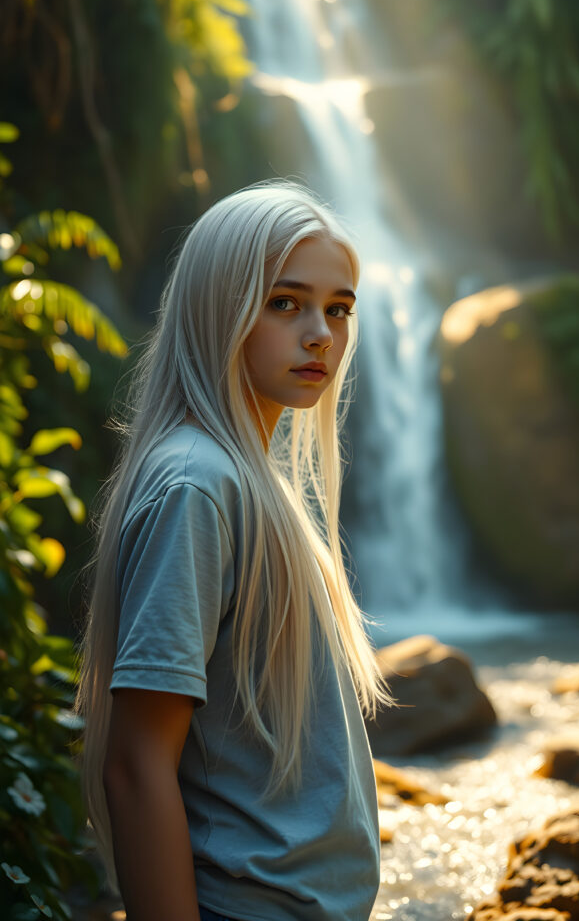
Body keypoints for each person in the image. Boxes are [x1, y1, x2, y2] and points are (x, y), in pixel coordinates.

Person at [76, 180, 390, 921]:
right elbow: (135, 766)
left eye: (338, 309)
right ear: (219, 305)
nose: (320, 333)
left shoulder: (249, 479)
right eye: (285, 302)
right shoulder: (200, 483)